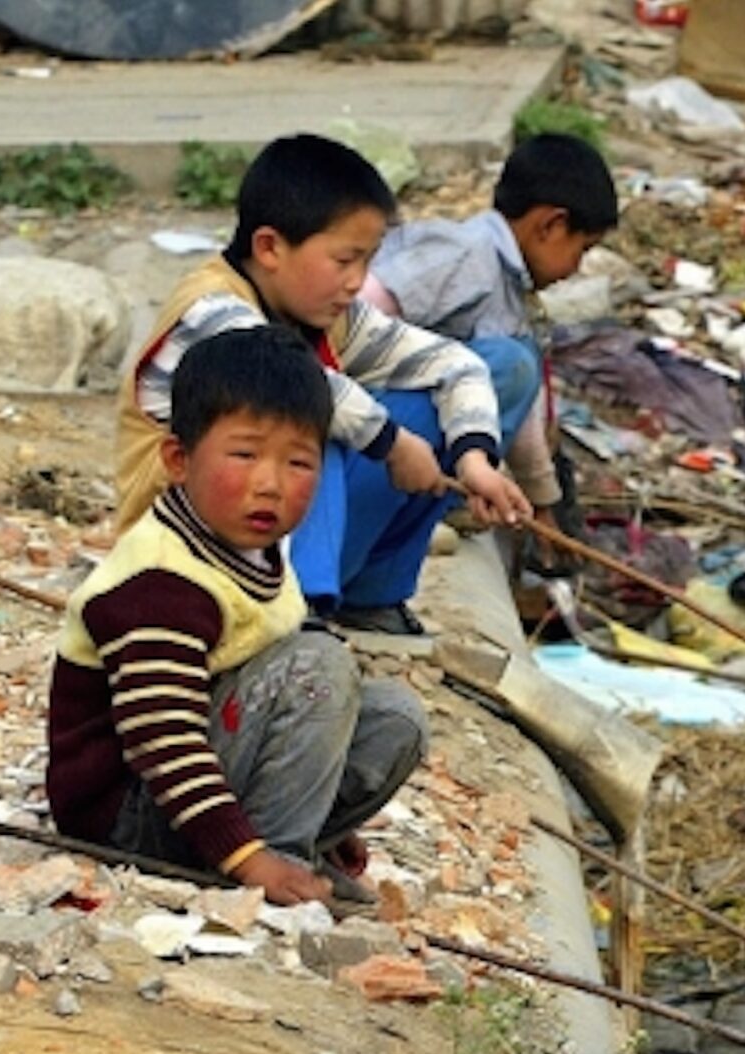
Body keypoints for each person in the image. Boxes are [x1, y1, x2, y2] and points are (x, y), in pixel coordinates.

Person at [52, 325, 426, 906]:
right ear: (178, 459)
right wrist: (251, 860)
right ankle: (272, 867)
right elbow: (164, 737)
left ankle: (295, 849)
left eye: (299, 462)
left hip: (207, 777)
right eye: (244, 454)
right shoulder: (162, 579)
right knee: (316, 664)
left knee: (397, 717)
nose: (270, 485)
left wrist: (329, 811)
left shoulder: (255, 548)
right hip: (133, 814)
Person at [115, 132, 532, 636]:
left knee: (474, 380)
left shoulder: (328, 317)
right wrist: (395, 444)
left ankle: (370, 598)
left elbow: (453, 365)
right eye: (343, 261)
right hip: (186, 552)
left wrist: (474, 459)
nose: (358, 282)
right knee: (308, 423)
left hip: (269, 528)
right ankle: (299, 613)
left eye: (366, 262)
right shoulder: (210, 309)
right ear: (270, 247)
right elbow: (309, 386)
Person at [362, 132, 618, 541]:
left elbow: (526, 409)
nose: (576, 268)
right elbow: (354, 315)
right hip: (366, 427)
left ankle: (439, 500)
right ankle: (424, 507)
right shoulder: (464, 256)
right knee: (507, 363)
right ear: (551, 225)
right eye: (581, 249)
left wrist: (543, 503)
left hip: (399, 428)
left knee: (518, 360)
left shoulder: (510, 288)